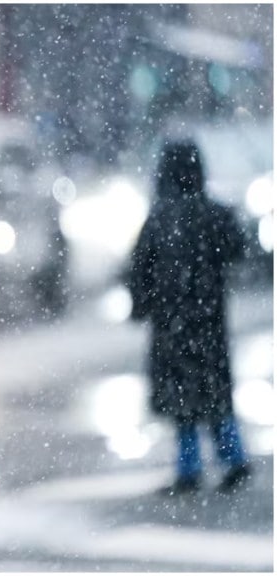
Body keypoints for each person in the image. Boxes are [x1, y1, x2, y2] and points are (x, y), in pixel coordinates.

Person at [127, 139, 251, 496]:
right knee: (215, 396)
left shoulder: (159, 219)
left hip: (171, 326)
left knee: (182, 402)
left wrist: (142, 306)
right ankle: (233, 458)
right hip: (209, 323)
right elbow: (237, 251)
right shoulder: (214, 215)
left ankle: (189, 468)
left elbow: (140, 270)